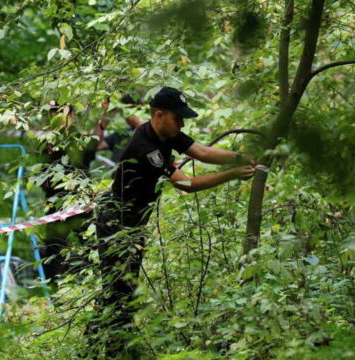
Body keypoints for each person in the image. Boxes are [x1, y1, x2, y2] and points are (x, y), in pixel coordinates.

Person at [90, 87, 256, 355]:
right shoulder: (146, 147)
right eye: (178, 118)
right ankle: (102, 348)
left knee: (126, 289)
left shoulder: (168, 133)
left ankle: (114, 345)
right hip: (117, 221)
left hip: (134, 221)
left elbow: (201, 152)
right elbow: (187, 184)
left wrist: (240, 157)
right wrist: (233, 173)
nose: (182, 123)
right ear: (159, 115)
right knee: (118, 290)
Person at [38, 101, 98, 280]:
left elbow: (87, 158)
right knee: (54, 246)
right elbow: (41, 172)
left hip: (80, 198)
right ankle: (55, 287)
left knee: (90, 242)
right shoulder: (46, 141)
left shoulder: (80, 137)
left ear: (71, 114)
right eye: (54, 113)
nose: (58, 117)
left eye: (62, 112)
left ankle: (96, 281)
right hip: (55, 199)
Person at [95, 94, 143, 163]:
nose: (124, 115)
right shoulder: (121, 134)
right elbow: (97, 145)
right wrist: (105, 117)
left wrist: (137, 122)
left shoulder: (150, 131)